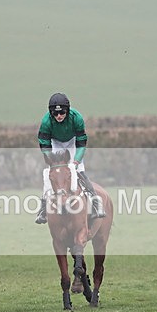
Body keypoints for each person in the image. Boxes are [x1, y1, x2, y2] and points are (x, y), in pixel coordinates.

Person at [35, 92, 105, 224]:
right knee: (48, 173)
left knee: (79, 171)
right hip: (55, 143)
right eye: (55, 114)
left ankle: (95, 202)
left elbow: (81, 142)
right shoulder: (46, 122)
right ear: (51, 113)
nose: (59, 116)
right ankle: (43, 208)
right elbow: (44, 144)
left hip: (73, 142)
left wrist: (76, 161)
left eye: (62, 112)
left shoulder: (76, 118)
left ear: (67, 110)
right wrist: (51, 161)